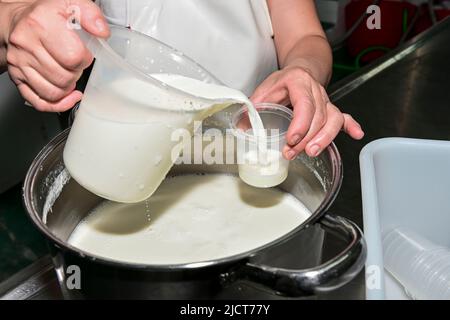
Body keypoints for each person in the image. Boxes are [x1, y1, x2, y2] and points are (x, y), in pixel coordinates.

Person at [0, 0, 364, 159]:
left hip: (248, 145)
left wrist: (303, 70)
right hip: (124, 149)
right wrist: (15, 19)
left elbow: (304, 38)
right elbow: (17, 13)